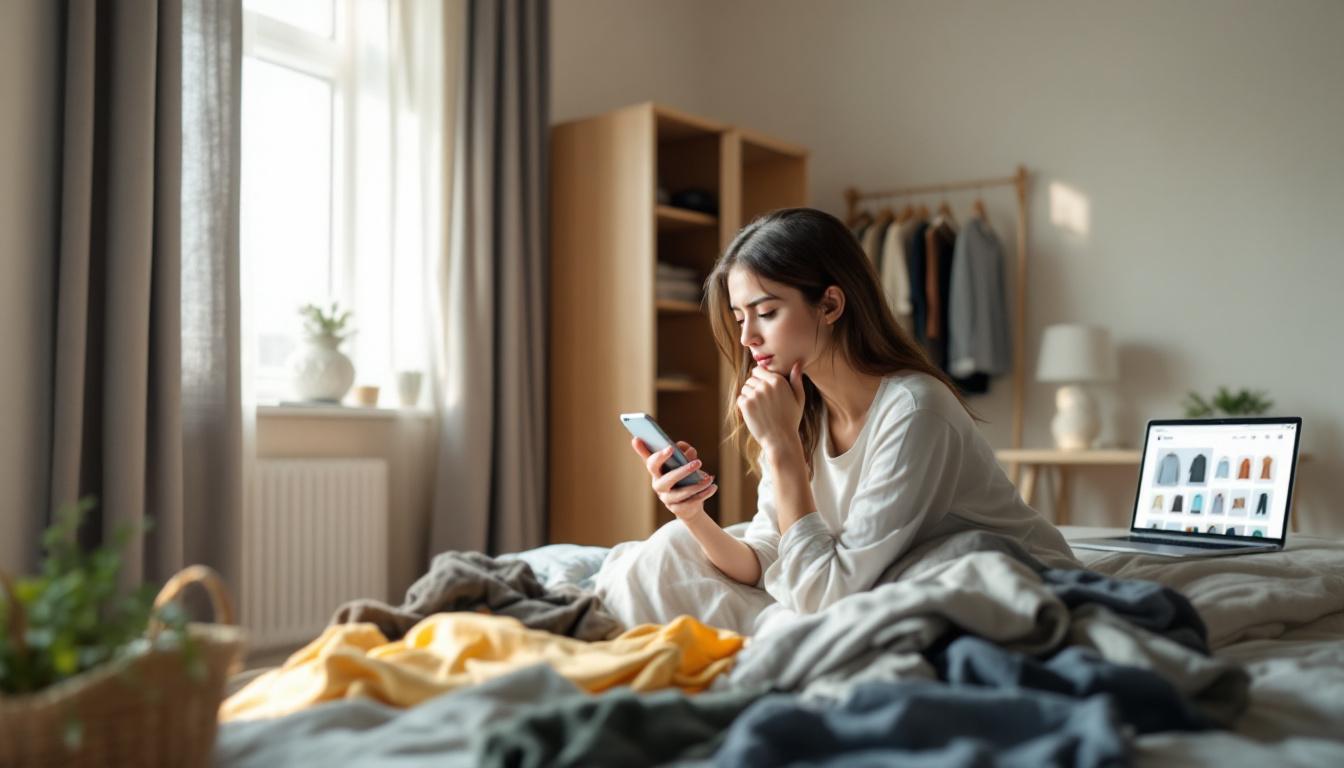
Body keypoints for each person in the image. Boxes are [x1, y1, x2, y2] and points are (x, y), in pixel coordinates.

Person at [627, 208, 1077, 620]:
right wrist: (692, 515)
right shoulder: (797, 409)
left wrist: (782, 448)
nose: (747, 338)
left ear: (830, 305)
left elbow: (826, 594)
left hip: (1018, 584)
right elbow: (770, 558)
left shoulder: (915, 410)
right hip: (872, 578)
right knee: (666, 551)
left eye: (766, 312)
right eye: (740, 318)